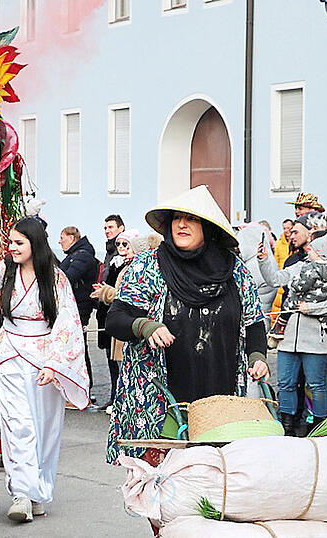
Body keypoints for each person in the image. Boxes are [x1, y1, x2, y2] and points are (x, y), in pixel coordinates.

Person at [105, 186, 269, 465]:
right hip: (161, 401)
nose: (181, 224)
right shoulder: (148, 267)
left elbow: (254, 322)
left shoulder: (233, 270)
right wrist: (146, 326)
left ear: (207, 226)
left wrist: (257, 357)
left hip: (221, 399)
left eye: (191, 218)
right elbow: (116, 319)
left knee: (215, 479)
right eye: (176, 218)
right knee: (168, 489)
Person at [0, 218, 90, 523]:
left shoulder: (56, 278)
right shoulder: (4, 271)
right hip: (10, 353)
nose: (12, 248)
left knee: (45, 428)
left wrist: (55, 363)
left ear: (35, 244)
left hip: (44, 357)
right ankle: (22, 494)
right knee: (18, 425)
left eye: (19, 243)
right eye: (10, 242)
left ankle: (39, 491)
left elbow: (67, 322)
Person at [258, 220, 327, 436]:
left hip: (317, 337)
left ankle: (320, 428)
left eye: (312, 245)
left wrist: (311, 308)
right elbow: (276, 279)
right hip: (289, 335)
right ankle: (287, 426)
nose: (307, 248)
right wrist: (265, 259)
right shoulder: (300, 266)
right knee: (285, 382)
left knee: (316, 384)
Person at [91, 233, 161, 409]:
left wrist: (106, 292)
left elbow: (128, 296)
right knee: (120, 367)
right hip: (124, 323)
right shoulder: (124, 266)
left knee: (133, 369)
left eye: (127, 244)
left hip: (136, 327)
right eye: (120, 244)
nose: (123, 248)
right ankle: (118, 399)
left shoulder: (141, 269)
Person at [93, 214, 126, 406]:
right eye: (105, 227)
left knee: (117, 360)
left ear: (121, 228)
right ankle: (114, 398)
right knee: (110, 359)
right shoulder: (109, 252)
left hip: (116, 312)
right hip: (105, 311)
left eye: (111, 227)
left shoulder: (121, 255)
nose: (107, 231)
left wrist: (105, 292)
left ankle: (118, 399)